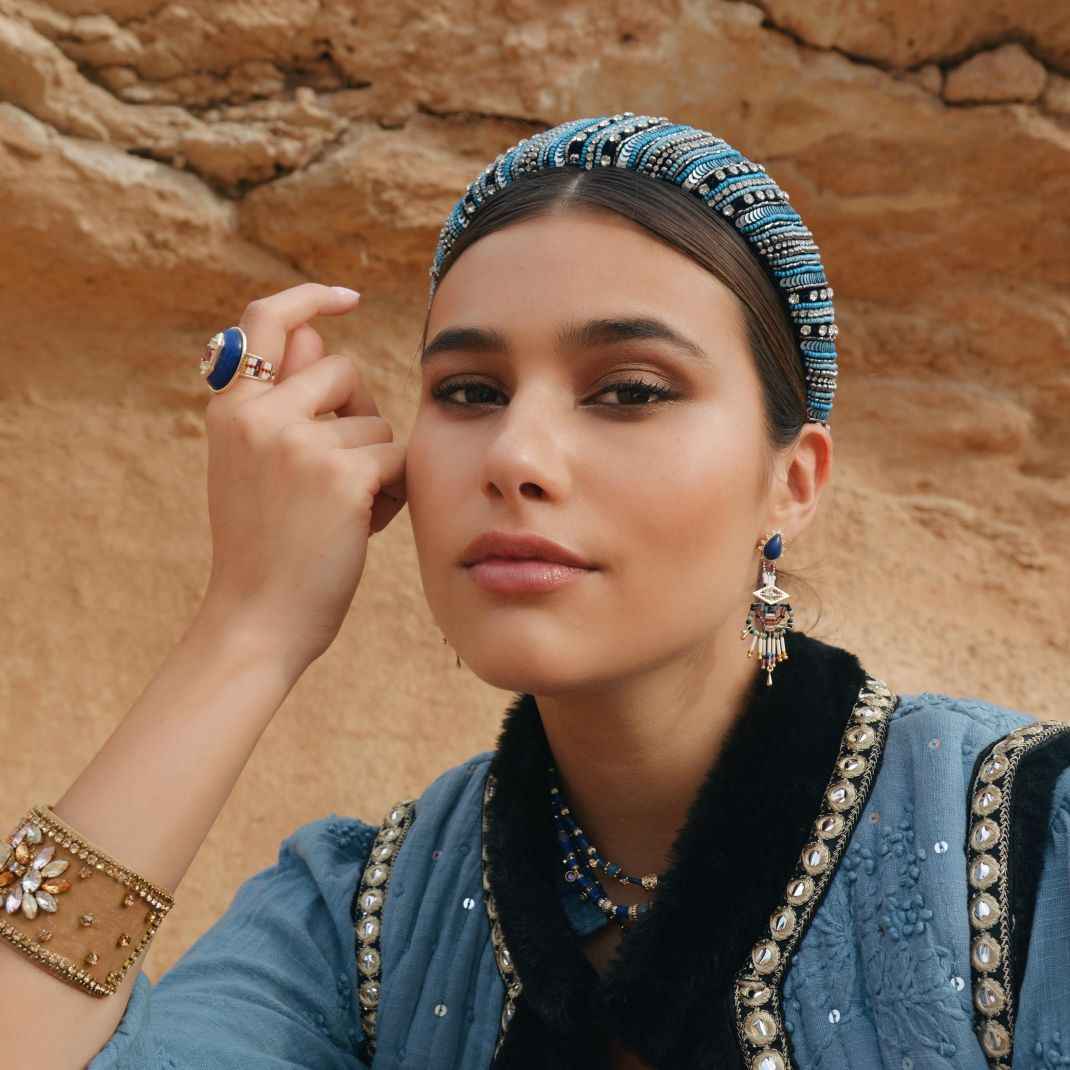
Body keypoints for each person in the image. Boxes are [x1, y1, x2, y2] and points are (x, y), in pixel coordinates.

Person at [2, 112, 1067, 1070]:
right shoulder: (361, 923)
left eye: (628, 390)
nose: (514, 453)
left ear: (790, 482)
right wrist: (247, 626)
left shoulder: (1026, 846)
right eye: (468, 391)